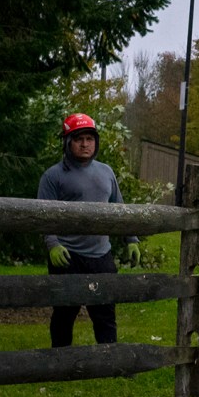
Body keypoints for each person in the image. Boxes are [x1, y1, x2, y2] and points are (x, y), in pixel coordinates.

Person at [38, 113, 121, 347]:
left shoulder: (106, 172)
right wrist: (52, 244)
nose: (85, 144)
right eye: (78, 139)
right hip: (67, 256)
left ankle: (108, 359)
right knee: (64, 312)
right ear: (67, 143)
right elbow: (42, 214)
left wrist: (132, 239)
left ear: (96, 142)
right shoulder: (53, 176)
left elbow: (120, 209)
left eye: (89, 139)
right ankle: (61, 360)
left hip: (101, 255)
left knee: (105, 312)